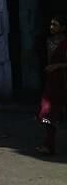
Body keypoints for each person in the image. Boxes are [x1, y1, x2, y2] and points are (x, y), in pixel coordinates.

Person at [36, 15, 67, 155]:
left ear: (63, 27)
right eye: (51, 24)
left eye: (55, 24)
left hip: (63, 80)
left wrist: (56, 66)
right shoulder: (48, 41)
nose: (51, 27)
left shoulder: (65, 43)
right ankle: (48, 145)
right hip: (52, 82)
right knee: (47, 113)